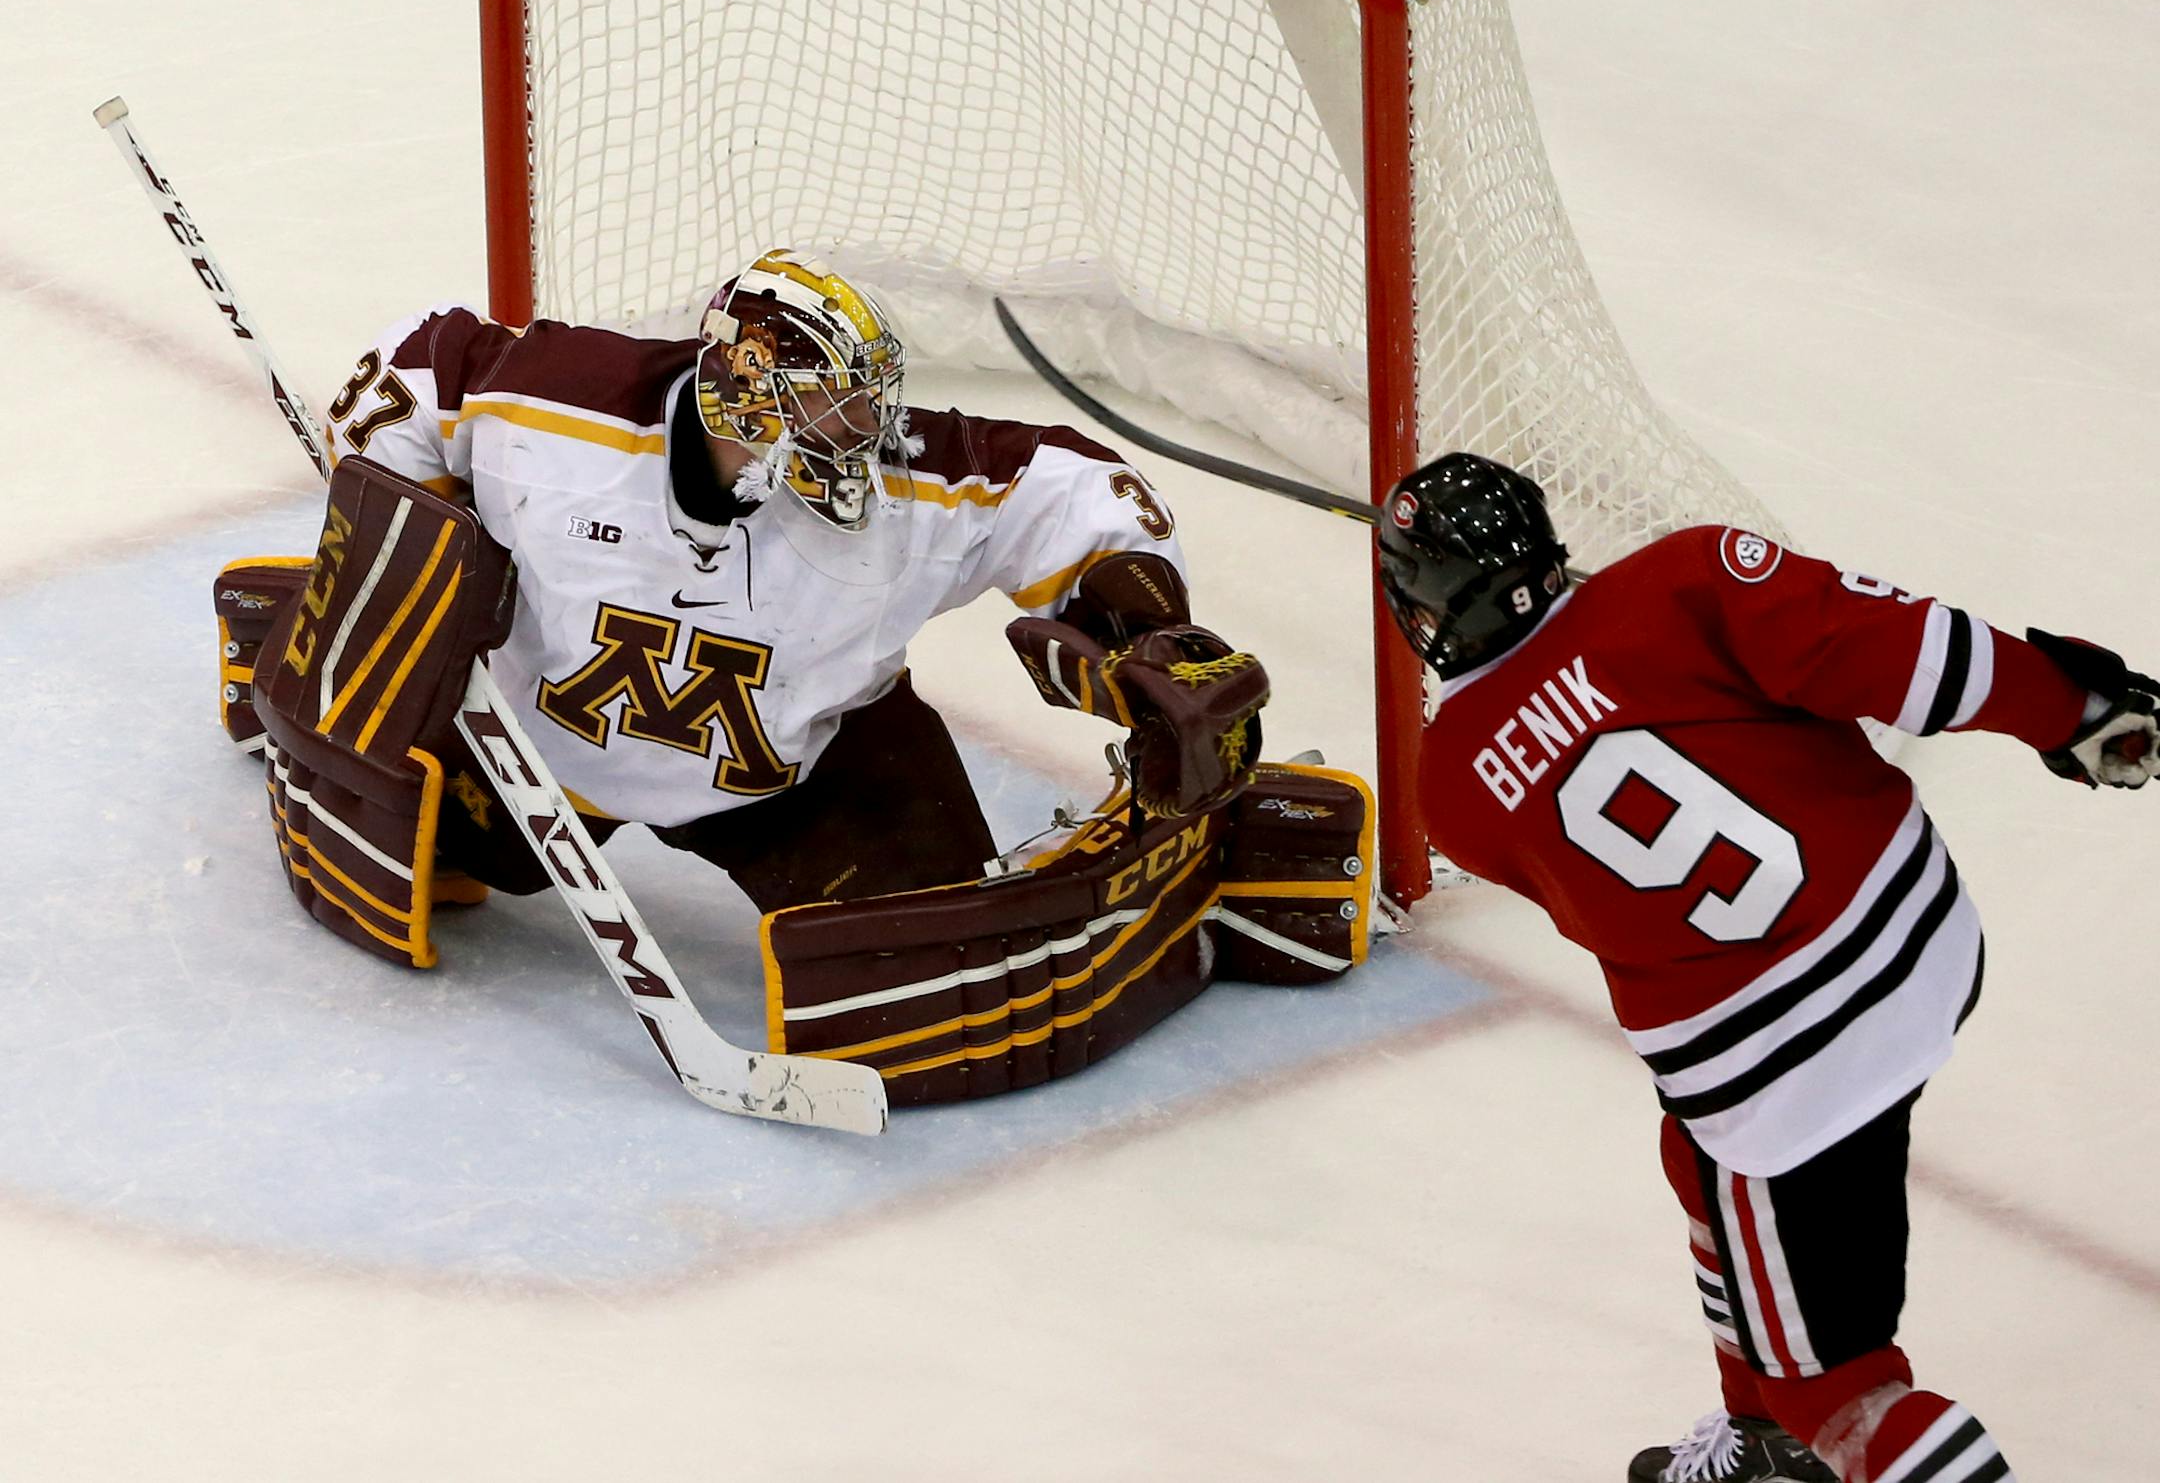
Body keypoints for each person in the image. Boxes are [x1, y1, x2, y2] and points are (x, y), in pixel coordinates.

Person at [1374, 453, 2156, 1483]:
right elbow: (1893, 649)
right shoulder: (1684, 579)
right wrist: (2071, 707)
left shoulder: (1455, 791)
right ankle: (1766, 1449)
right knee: (1693, 1151)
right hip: (1924, 936)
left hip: (1789, 1077)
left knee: (1837, 1389)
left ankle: (1797, 1425)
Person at [261, 247, 1264, 927]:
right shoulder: (562, 413)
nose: (860, 438)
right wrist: (413, 555)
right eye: (832, 409)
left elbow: (1078, 489)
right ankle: (269, 627)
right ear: (747, 391)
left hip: (797, 776)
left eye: (863, 407)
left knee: (926, 945)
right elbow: (418, 368)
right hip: (540, 745)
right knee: (421, 852)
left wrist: (1138, 624)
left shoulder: (904, 484)